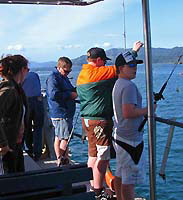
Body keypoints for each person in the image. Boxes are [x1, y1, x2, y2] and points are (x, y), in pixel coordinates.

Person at [76, 41, 143, 200]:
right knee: (103, 156)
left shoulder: (83, 74)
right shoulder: (97, 73)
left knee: (93, 155)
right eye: (104, 61)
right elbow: (119, 67)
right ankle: (98, 192)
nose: (105, 63)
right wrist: (134, 51)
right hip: (99, 121)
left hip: (87, 120)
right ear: (98, 60)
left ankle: (93, 185)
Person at [112, 50, 156, 200]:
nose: (134, 67)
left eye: (135, 64)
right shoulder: (129, 86)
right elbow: (128, 112)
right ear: (120, 68)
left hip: (121, 136)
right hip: (131, 140)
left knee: (120, 173)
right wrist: (149, 109)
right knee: (129, 180)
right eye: (130, 65)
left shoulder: (119, 83)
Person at [0, 55, 29, 175]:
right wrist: (3, 144)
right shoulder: (9, 89)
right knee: (6, 187)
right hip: (6, 149)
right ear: (22, 70)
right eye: (27, 69)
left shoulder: (14, 87)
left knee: (16, 185)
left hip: (14, 145)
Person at [46, 57, 77, 166]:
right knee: (65, 138)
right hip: (61, 113)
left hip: (63, 113)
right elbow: (53, 94)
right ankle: (63, 161)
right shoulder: (53, 78)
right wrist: (70, 94)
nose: (67, 73)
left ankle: (61, 159)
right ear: (59, 68)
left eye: (69, 71)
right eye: (66, 71)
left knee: (59, 137)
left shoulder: (62, 77)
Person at [22, 71, 44, 161]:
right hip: (38, 101)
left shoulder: (22, 77)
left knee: (26, 127)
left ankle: (29, 150)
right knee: (38, 128)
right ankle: (38, 153)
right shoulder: (34, 75)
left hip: (26, 101)